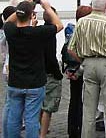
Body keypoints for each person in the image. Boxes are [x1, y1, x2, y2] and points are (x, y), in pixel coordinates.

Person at [4, 0, 63, 138]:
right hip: (35, 83)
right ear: (31, 15)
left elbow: (7, 21)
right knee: (31, 118)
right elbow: (59, 25)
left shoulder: (10, 31)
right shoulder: (38, 32)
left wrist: (24, 6)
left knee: (14, 117)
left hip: (15, 82)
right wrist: (47, 7)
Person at [68, 0, 106, 138]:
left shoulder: (82, 22)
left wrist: (83, 61)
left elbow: (70, 49)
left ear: (92, 5)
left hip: (89, 64)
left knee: (88, 110)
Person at [62, 5, 92, 138]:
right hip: (82, 69)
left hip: (72, 69)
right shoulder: (85, 32)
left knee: (74, 100)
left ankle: (72, 129)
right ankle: (80, 128)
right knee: (83, 101)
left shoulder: (72, 30)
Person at [40, 7, 64, 138]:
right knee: (47, 107)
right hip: (49, 73)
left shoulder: (39, 30)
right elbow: (50, 57)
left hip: (39, 72)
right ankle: (42, 133)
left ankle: (39, 130)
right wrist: (57, 73)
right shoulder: (49, 33)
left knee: (40, 105)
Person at [1, 5, 16, 137]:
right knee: (10, 103)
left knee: (10, 102)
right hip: (11, 68)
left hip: (8, 67)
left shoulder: (6, 31)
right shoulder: (10, 31)